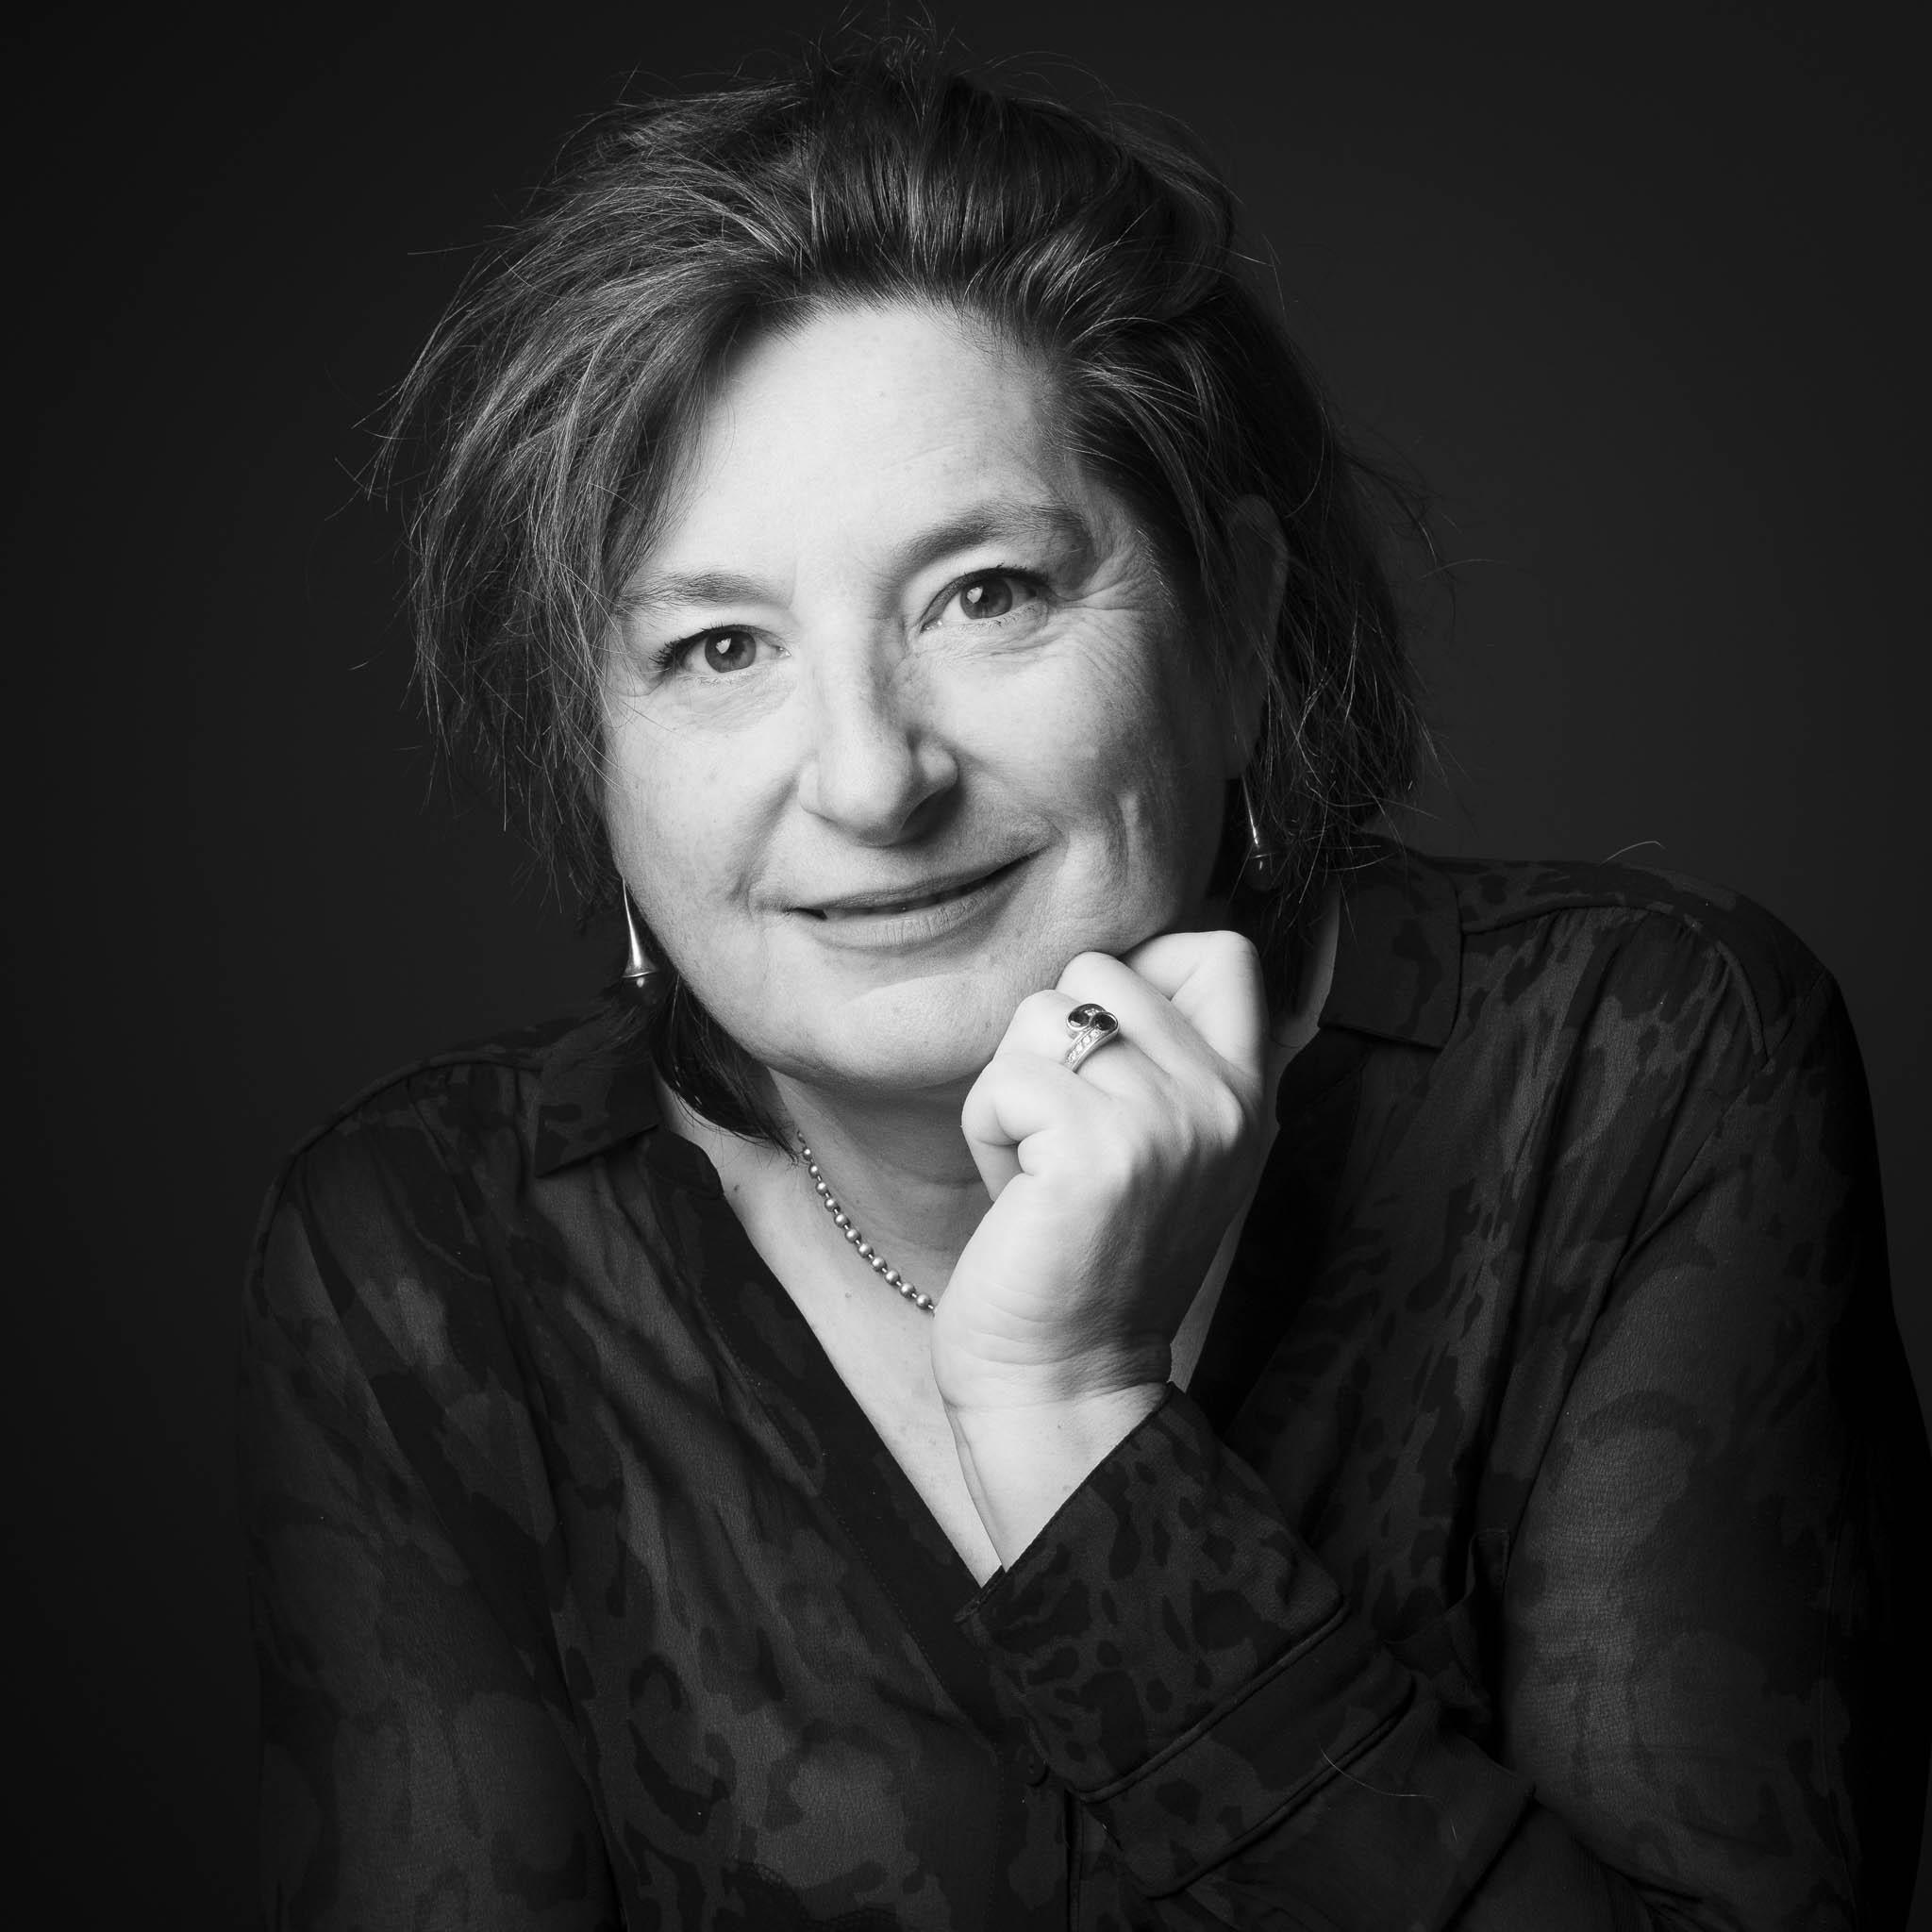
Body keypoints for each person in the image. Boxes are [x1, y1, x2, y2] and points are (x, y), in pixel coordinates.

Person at [238, 37, 1930, 1931]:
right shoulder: (430, 1254)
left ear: (1237, 629)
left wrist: (1070, 1416)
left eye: (988, 594)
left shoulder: (1640, 1072)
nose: (869, 777)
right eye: (718, 647)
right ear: (596, 753)